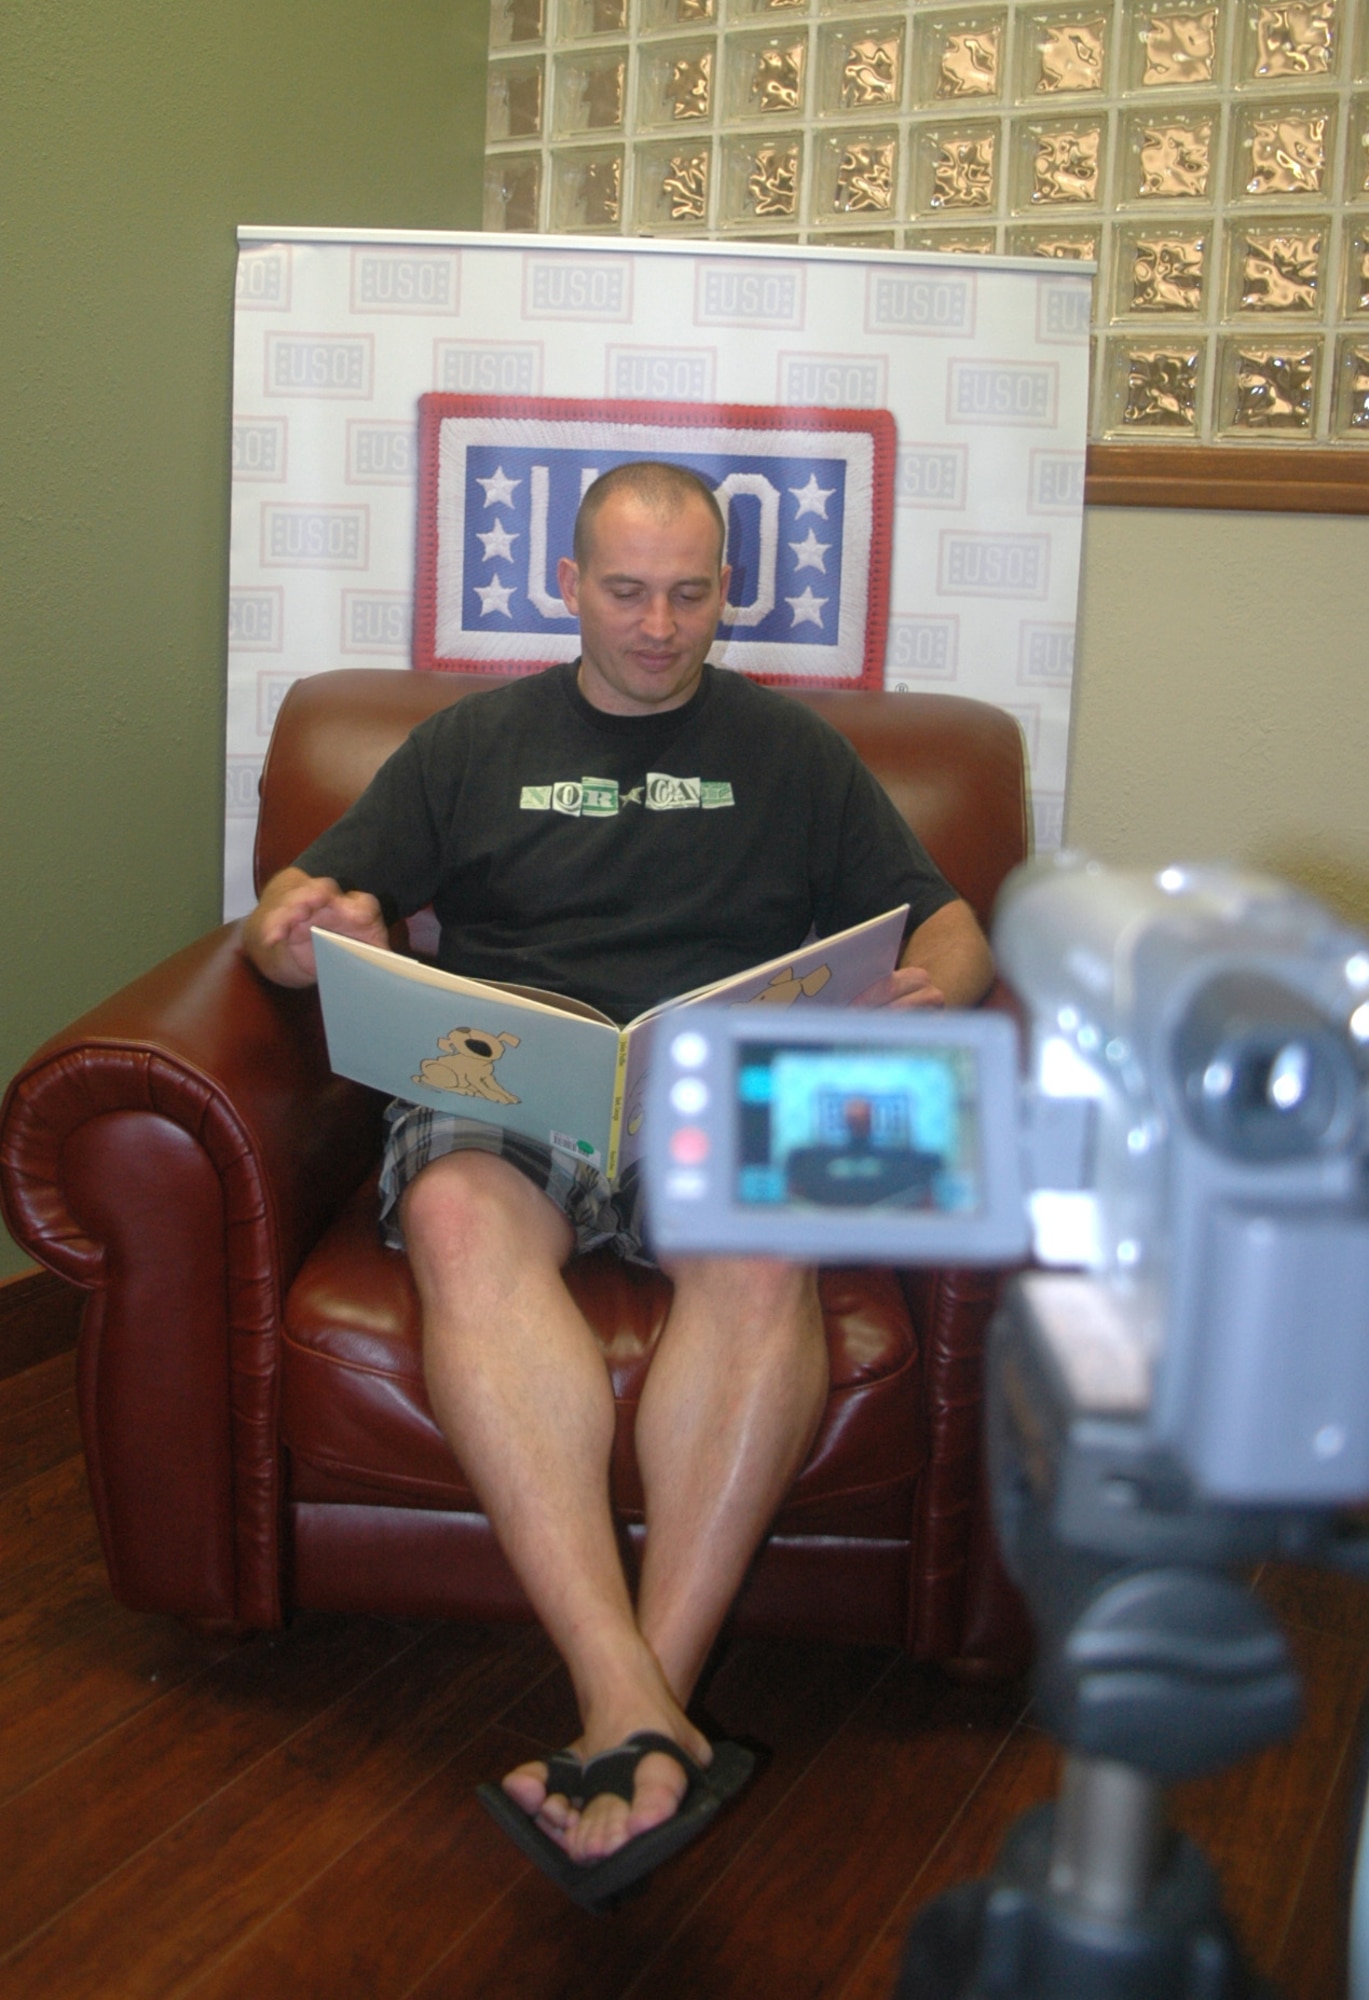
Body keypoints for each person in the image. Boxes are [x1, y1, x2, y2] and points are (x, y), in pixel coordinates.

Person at [242, 461, 994, 1904]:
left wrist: (929, 999)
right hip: (519, 1072)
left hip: (716, 1082)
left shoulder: (791, 753)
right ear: (567, 586)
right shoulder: (469, 744)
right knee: (459, 1213)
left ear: (728, 593)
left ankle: (627, 1714)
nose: (659, 626)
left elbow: (949, 926)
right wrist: (301, 925)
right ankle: (637, 1708)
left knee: (765, 1245)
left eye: (691, 594)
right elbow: (298, 919)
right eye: (629, 591)